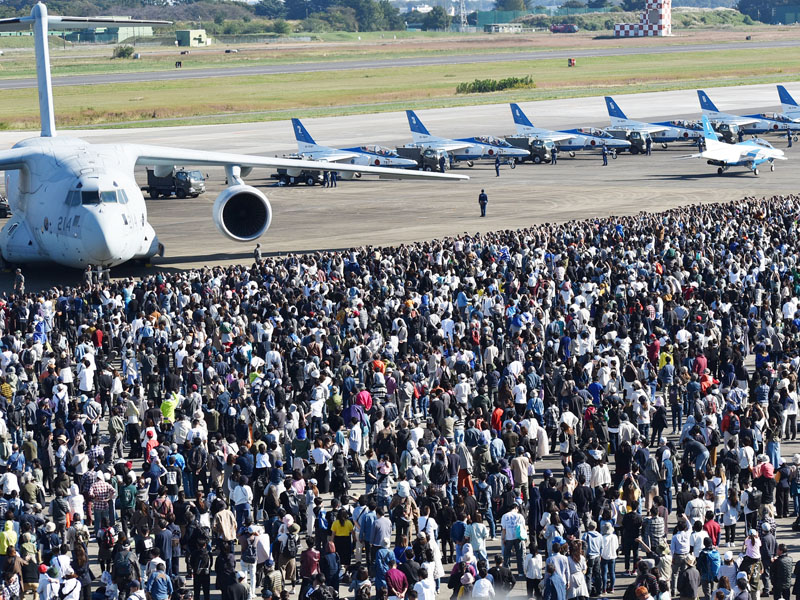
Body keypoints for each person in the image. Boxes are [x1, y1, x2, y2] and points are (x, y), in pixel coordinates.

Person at [500, 501, 526, 578]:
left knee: (507, 555)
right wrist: (525, 538)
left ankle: (507, 571)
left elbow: (503, 529)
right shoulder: (520, 516)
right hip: (518, 537)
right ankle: (520, 572)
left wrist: (503, 538)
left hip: (508, 537)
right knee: (519, 555)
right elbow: (523, 528)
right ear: (516, 508)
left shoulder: (505, 516)